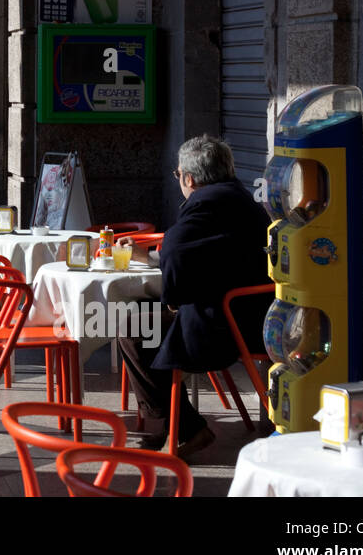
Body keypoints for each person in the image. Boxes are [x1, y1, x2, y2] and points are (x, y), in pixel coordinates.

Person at [113, 134, 271, 458]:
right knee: (139, 315)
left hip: (224, 324)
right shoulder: (236, 198)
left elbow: (176, 247)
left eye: (178, 175)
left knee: (132, 328)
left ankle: (185, 427)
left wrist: (171, 296)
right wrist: (151, 258)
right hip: (248, 314)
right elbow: (205, 253)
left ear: (188, 177)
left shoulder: (206, 203)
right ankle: (169, 423)